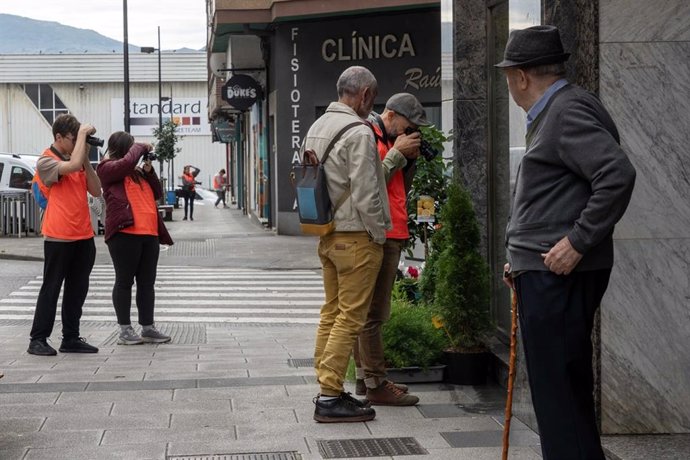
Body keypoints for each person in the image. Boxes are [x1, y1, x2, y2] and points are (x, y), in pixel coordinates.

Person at [497, 25, 636, 459]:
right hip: (543, 271)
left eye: (508, 75)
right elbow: (554, 194)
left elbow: (616, 175)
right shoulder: (557, 110)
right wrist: (518, 253)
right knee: (562, 395)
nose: (509, 83)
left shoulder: (565, 111)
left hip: (558, 275)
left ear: (521, 76)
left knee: (560, 399)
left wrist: (576, 241)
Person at [308, 66, 391, 423]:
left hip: (327, 234)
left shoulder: (316, 128)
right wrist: (379, 234)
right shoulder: (359, 132)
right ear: (365, 96)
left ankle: (328, 384)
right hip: (356, 236)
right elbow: (368, 192)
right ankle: (329, 395)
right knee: (350, 316)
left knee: (332, 311)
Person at [352, 93, 426, 406]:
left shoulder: (387, 139)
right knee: (374, 313)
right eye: (406, 126)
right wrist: (396, 154)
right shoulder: (367, 136)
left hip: (393, 229)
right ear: (391, 114)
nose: (406, 132)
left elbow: (397, 189)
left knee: (369, 312)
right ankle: (376, 383)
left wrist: (408, 162)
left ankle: (363, 378)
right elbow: (367, 185)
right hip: (378, 233)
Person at [27, 114, 102, 356]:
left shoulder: (77, 159)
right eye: (74, 138)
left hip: (83, 235)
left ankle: (70, 337)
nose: (78, 142)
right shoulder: (46, 160)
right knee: (51, 288)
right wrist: (81, 138)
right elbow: (68, 168)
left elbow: (96, 189)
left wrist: (86, 157)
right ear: (59, 137)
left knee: (77, 289)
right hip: (58, 236)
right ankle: (37, 339)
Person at [97, 131, 173, 345]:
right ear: (123, 149)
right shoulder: (107, 168)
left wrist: (149, 172)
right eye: (131, 148)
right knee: (124, 281)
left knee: (147, 283)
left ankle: (148, 327)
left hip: (149, 234)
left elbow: (157, 192)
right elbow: (125, 163)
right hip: (124, 234)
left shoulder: (136, 172)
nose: (135, 153)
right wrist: (140, 146)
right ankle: (125, 330)